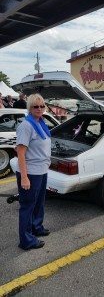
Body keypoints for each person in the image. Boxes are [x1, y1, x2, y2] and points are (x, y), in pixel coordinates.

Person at [15, 93, 51, 250]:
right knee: (27, 206)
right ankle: (26, 240)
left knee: (39, 203)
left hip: (42, 171)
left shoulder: (41, 122)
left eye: (42, 106)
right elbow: (20, 152)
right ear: (29, 108)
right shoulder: (26, 126)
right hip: (30, 172)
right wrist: (24, 178)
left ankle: (37, 227)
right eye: (35, 106)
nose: (39, 109)